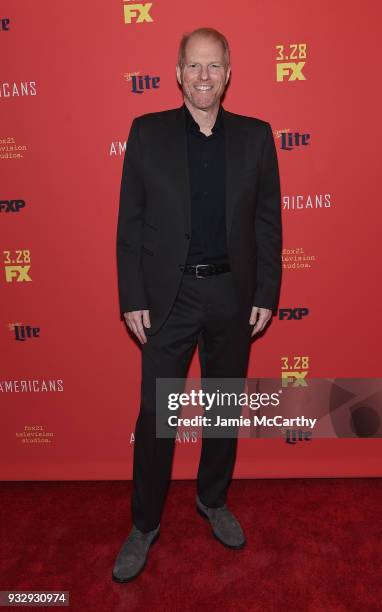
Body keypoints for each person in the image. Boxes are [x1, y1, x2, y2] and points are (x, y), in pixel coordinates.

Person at [113, 26, 282, 583]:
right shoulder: (147, 133)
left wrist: (265, 292)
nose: (204, 76)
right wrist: (133, 295)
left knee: (224, 410)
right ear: (178, 71)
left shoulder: (257, 137)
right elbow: (131, 225)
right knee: (157, 418)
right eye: (194, 66)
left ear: (228, 73)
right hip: (170, 298)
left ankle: (212, 499)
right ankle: (144, 524)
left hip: (233, 295)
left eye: (214, 66)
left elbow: (266, 224)